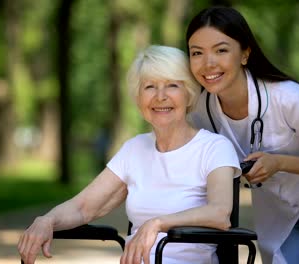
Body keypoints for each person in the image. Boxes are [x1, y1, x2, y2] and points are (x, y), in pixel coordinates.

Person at [18, 45, 242, 264]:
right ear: (139, 98)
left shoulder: (214, 147)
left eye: (172, 85)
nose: (160, 96)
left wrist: (158, 223)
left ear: (189, 94)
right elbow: (83, 207)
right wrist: (47, 220)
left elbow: (219, 213)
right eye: (149, 87)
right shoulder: (134, 149)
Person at [185, 6, 299, 264]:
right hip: (279, 212)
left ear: (245, 53)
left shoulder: (292, 99)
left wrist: (278, 162)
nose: (208, 63)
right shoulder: (199, 112)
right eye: (197, 53)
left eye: (221, 50)